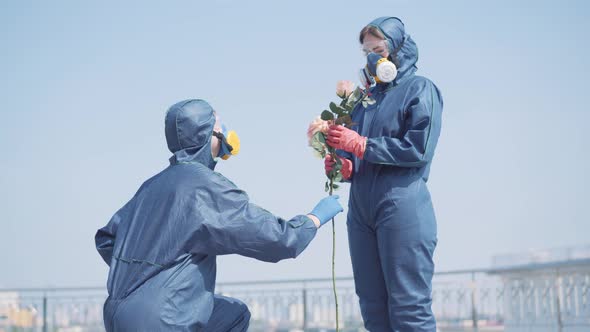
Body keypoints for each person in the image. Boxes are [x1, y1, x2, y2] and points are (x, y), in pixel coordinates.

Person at [95, 99, 343, 331]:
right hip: (166, 318)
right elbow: (276, 240)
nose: (224, 129)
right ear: (206, 135)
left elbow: (107, 239)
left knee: (234, 313)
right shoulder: (205, 187)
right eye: (217, 123)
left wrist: (145, 271)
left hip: (118, 313)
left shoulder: (151, 185)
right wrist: (314, 218)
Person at [325, 17, 443, 331]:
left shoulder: (420, 89)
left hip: (400, 204)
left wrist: (363, 145)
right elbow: (358, 149)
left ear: (398, 48)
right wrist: (345, 164)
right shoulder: (366, 100)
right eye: (368, 53)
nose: (374, 58)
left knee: (408, 308)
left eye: (379, 49)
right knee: (373, 308)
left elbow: (419, 149)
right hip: (362, 209)